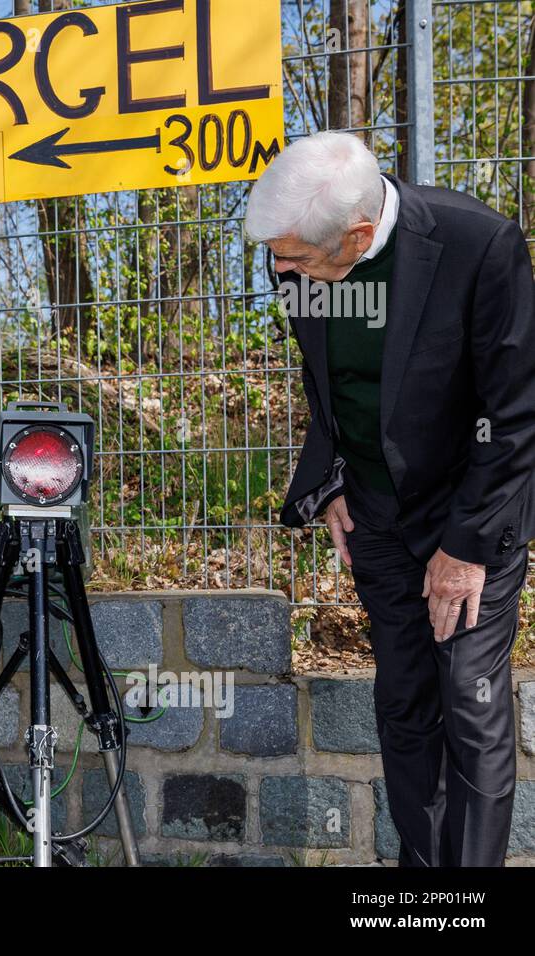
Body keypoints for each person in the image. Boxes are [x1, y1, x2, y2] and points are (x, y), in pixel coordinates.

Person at [248, 130, 535, 866]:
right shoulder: (297, 248)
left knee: (469, 703)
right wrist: (332, 475)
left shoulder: (480, 246)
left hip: (471, 512)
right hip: (376, 514)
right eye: (278, 256)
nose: (280, 272)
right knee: (404, 703)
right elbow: (329, 382)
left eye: (296, 260)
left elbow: (513, 416)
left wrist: (465, 550)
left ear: (361, 235)